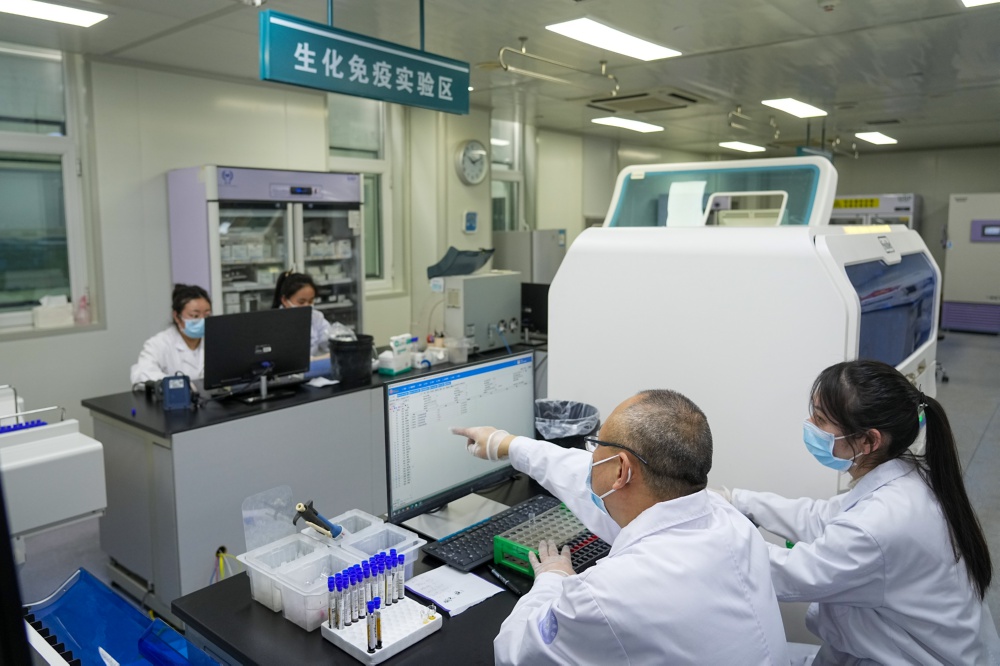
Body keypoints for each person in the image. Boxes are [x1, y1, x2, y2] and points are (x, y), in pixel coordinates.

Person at [453, 390, 789, 665]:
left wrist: (553, 579)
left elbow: (515, 653)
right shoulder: (731, 523)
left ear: (620, 470)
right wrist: (508, 444)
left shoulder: (608, 594)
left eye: (596, 446)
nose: (591, 457)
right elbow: (590, 482)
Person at [723, 360, 1000, 665]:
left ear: (869, 440)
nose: (809, 425)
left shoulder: (880, 524)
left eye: (820, 420)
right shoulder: (905, 474)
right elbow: (821, 517)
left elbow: (795, 574)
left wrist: (718, 536)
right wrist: (738, 500)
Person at [130, 284, 211, 385]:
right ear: (176, 316)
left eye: (207, 315)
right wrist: (178, 384)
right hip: (175, 395)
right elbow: (141, 374)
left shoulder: (215, 341)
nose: (202, 321)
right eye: (195, 316)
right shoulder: (159, 343)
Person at [271, 271, 332, 356]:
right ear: (284, 300)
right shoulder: (274, 322)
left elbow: (329, 342)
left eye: (310, 301)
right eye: (301, 302)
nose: (307, 306)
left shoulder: (316, 317)